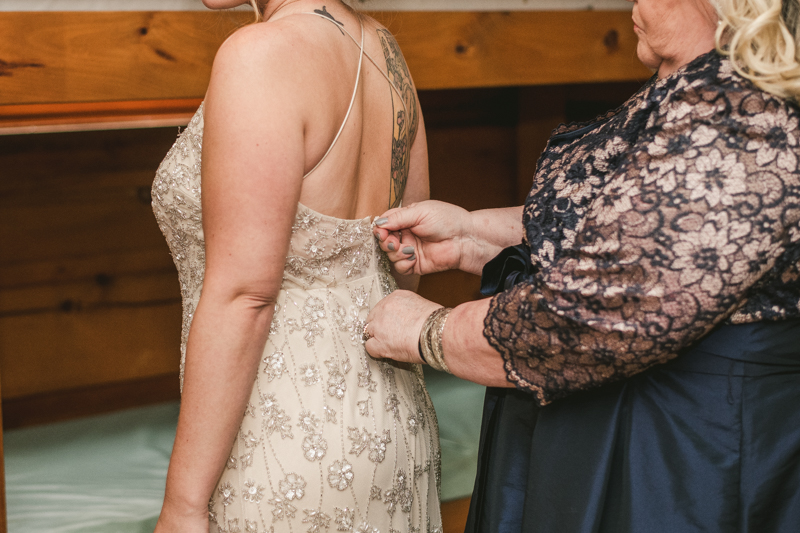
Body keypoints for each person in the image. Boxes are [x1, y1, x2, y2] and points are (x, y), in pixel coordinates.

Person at [365, 0, 800, 531]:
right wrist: (473, 234)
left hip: (684, 464)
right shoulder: (709, 88)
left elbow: (595, 314)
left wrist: (428, 331)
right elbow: (640, 221)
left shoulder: (744, 113)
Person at [151, 1, 442, 532]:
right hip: (393, 419)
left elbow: (245, 296)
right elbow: (407, 259)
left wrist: (183, 504)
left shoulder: (259, 55)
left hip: (283, 435)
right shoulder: (383, 50)